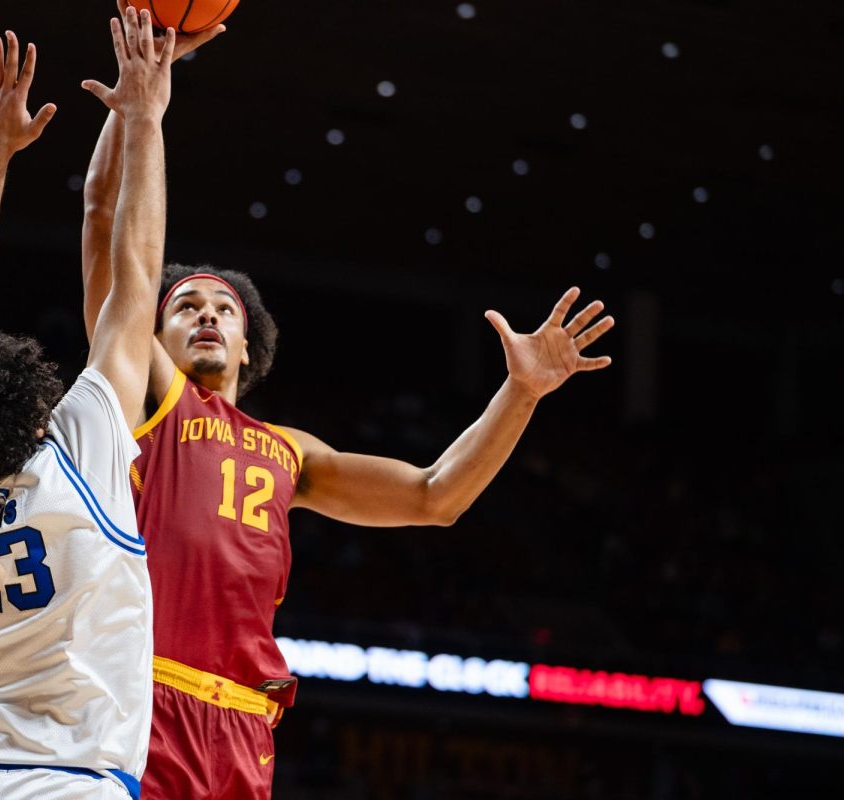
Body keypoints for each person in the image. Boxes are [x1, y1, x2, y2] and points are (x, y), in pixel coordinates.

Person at [80, 8, 617, 799]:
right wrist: (141, 112)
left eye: (222, 308)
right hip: (139, 699)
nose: (204, 315)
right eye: (184, 305)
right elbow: (105, 226)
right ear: (151, 334)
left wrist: (521, 393)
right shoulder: (153, 405)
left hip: (243, 729)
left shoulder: (292, 451)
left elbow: (436, 497)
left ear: (247, 343)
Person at [0, 11, 176, 799]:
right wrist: (145, 120)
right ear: (37, 413)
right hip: (76, 782)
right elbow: (136, 273)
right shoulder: (75, 460)